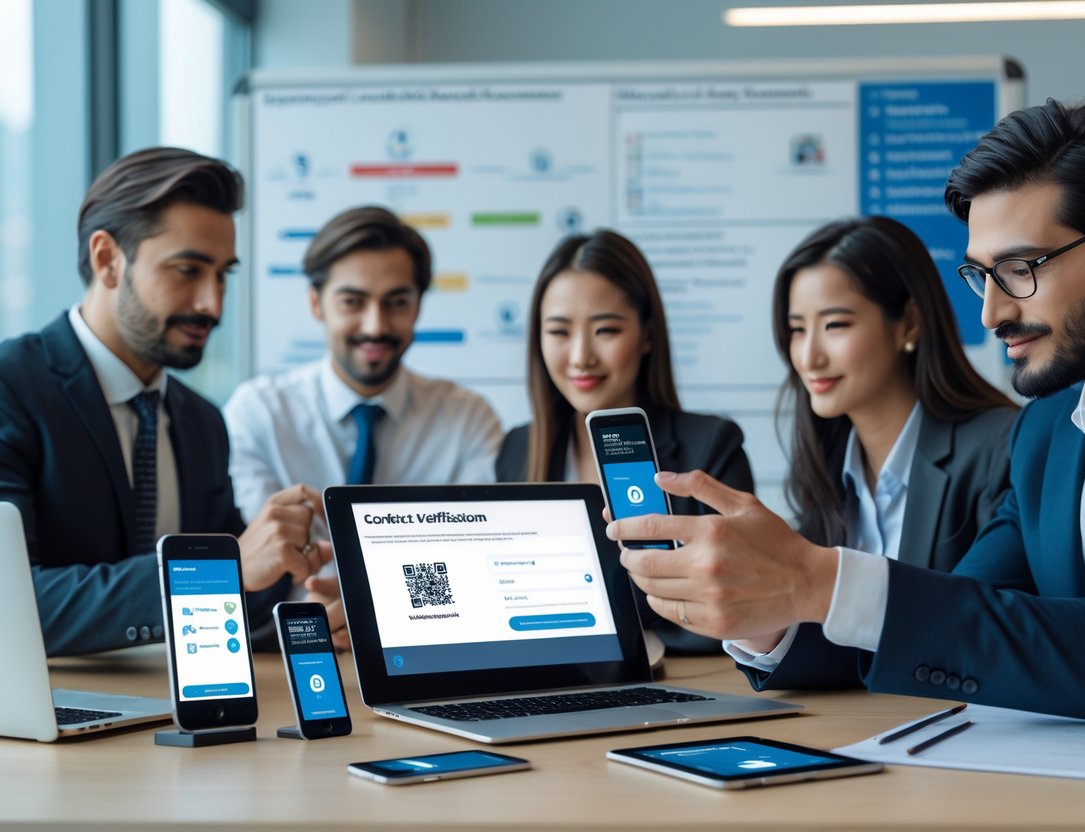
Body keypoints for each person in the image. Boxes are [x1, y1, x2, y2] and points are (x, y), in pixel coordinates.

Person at [611, 97, 1085, 725]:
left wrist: (821, 579)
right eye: (981, 275)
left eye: (1019, 269)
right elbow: (956, 616)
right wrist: (772, 607)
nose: (991, 314)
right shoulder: (1044, 432)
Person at [0, 148, 325, 656]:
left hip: (177, 716)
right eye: (187, 270)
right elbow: (11, 604)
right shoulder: (10, 387)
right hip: (43, 721)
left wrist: (301, 594)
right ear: (107, 259)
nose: (212, 304)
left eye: (222, 275)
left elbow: (233, 595)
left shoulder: (201, 422)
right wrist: (219, 570)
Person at [756, 215, 1017, 688]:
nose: (809, 357)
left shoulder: (1000, 448)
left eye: (835, 324)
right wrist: (758, 621)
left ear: (908, 324)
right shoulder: (827, 468)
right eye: (797, 329)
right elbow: (843, 654)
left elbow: (983, 632)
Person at [225, 206, 503, 643]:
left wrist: (383, 610)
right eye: (353, 302)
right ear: (316, 303)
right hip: (292, 653)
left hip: (429, 652)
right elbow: (266, 563)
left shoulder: (468, 420)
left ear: (418, 306)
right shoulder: (260, 414)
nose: (375, 326)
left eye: (396, 302)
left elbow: (481, 564)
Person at [495, 229, 754, 652]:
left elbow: (734, 602)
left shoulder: (710, 447)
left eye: (605, 330)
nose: (580, 356)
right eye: (559, 332)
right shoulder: (517, 450)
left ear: (647, 335)